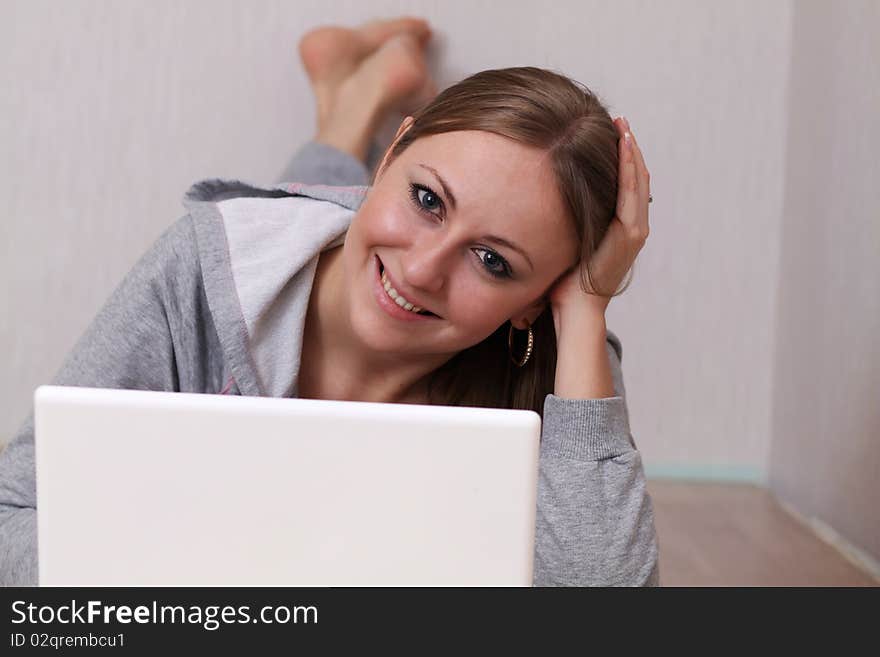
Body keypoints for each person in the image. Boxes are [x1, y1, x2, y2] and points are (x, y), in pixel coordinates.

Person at [0, 17, 658, 586]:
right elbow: (14, 518)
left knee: (372, 246)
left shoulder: (561, 348)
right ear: (392, 153)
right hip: (313, 232)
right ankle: (356, 105)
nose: (425, 269)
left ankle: (356, 96)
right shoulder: (205, 267)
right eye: (427, 199)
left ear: (535, 302)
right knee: (334, 221)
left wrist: (587, 310)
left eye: (492, 261)